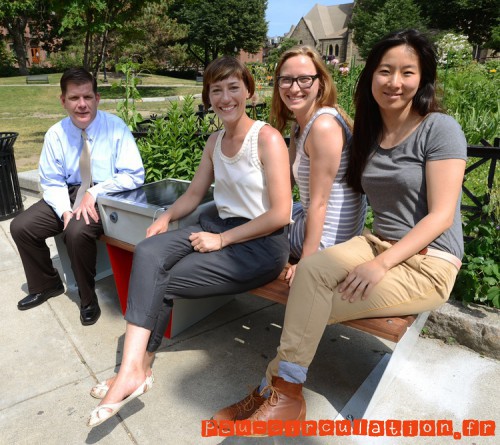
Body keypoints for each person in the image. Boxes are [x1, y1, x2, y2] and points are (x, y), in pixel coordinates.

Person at [212, 29, 467, 430]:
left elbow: (441, 218)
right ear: (370, 77)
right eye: (385, 71)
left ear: (423, 78)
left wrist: (381, 264)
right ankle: (284, 395)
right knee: (309, 275)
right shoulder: (371, 133)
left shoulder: (440, 129)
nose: (394, 82)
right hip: (376, 243)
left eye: (407, 72)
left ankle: (274, 392)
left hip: (429, 262)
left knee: (311, 305)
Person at [87, 56, 292, 427]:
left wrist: (222, 239)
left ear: (249, 90)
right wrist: (165, 216)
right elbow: (195, 194)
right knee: (149, 252)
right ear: (207, 96)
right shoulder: (215, 141)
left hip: (260, 244)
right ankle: (135, 370)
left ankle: (133, 371)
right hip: (219, 228)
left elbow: (280, 214)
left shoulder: (267, 138)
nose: (225, 97)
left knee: (161, 278)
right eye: (216, 90)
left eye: (233, 87)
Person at [10, 67, 144, 326]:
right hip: (68, 192)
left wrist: (94, 192)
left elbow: (134, 175)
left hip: (107, 193)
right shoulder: (55, 135)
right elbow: (51, 180)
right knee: (22, 227)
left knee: (76, 232)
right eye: (74, 98)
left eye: (87, 97)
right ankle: (46, 284)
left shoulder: (115, 128)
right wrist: (64, 210)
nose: (82, 105)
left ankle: (87, 299)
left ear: (97, 98)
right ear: (63, 100)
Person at [270, 45, 366, 284]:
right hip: (314, 218)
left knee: (249, 227)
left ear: (320, 82)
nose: (294, 88)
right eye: (286, 80)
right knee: (259, 213)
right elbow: (286, 179)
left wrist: (307, 262)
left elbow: (319, 203)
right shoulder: (299, 124)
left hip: (330, 238)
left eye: (304, 79)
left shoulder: (323, 127)